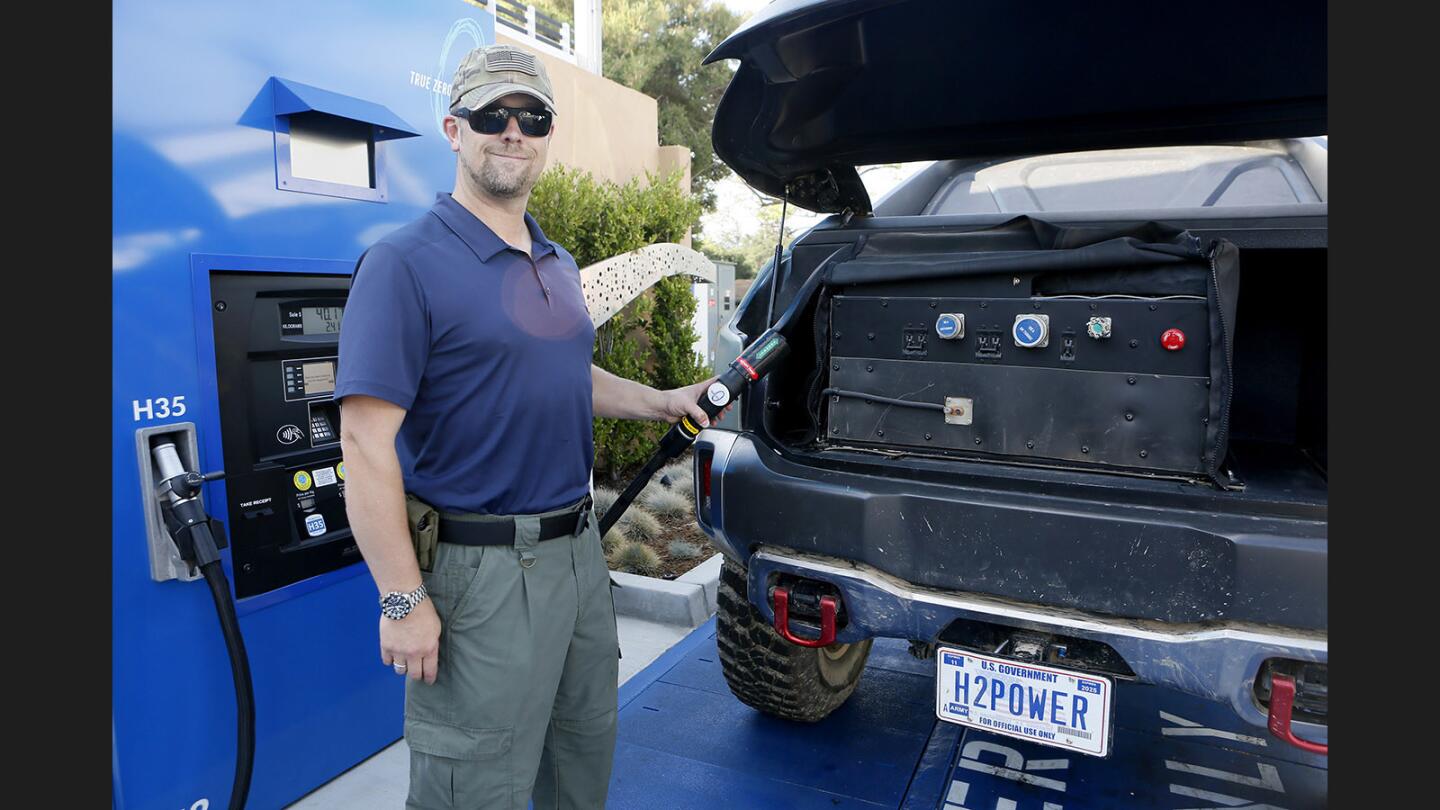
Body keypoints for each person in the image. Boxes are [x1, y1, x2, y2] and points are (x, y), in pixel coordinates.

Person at [334, 43, 725, 810]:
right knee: (473, 787)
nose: (513, 131)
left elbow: (562, 372)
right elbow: (363, 444)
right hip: (479, 576)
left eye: (532, 117)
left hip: (578, 561)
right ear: (454, 129)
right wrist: (402, 600)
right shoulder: (402, 264)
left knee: (578, 764)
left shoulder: (554, 260)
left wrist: (660, 399)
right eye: (492, 115)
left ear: (548, 135)